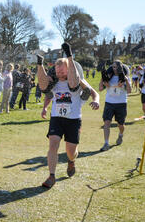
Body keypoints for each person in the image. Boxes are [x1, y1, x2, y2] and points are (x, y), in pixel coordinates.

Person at [37, 43, 100, 188]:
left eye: (62, 72)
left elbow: (93, 92)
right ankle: (51, 176)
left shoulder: (77, 80)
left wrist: (96, 101)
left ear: (69, 69)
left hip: (73, 120)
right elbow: (48, 94)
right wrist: (45, 108)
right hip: (57, 118)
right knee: (53, 145)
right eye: (58, 72)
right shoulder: (53, 82)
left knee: (70, 152)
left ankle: (71, 161)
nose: (60, 74)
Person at [99, 60, 132, 151]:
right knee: (106, 123)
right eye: (113, 67)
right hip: (109, 103)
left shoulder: (125, 78)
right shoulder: (109, 77)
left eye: (116, 67)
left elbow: (129, 91)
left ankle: (120, 135)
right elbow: (100, 89)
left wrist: (125, 82)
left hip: (121, 103)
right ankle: (106, 143)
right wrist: (103, 80)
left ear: (120, 67)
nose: (114, 69)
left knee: (120, 124)